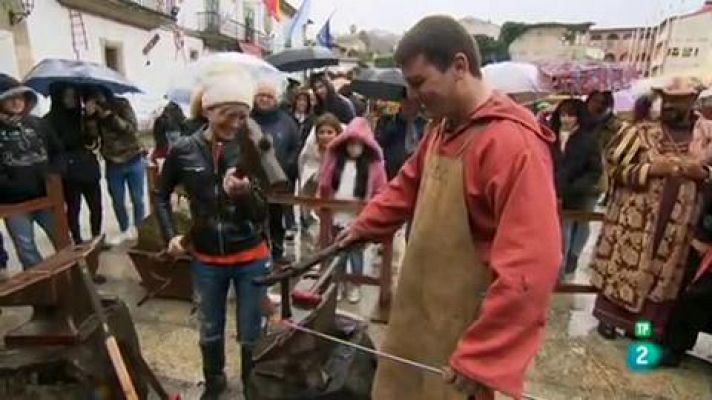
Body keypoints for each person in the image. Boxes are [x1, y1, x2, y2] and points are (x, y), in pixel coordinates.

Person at [337, 16, 561, 400]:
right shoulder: (443, 128)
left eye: (420, 83)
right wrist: (362, 227)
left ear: (459, 66)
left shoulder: (511, 144)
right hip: (417, 314)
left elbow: (531, 267)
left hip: (462, 331)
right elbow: (407, 184)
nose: (413, 95)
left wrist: (483, 358)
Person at [155, 75, 270, 399]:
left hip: (251, 257)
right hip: (206, 260)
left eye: (242, 115)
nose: (235, 123)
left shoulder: (251, 149)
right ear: (208, 111)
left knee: (251, 332)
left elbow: (262, 214)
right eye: (227, 114)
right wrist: (170, 236)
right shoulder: (182, 150)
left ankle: (252, 385)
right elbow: (161, 195)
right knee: (209, 328)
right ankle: (215, 381)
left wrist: (246, 194)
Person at [590, 78, 705, 341]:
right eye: (666, 100)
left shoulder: (705, 135)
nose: (669, 106)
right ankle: (607, 321)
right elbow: (614, 169)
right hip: (634, 218)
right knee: (623, 267)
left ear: (691, 102)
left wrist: (701, 172)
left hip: (678, 223)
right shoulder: (640, 132)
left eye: (676, 101)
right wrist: (651, 170)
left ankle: (639, 331)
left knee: (659, 281)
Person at [319, 117, 387, 303]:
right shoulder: (335, 162)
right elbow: (325, 184)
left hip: (358, 216)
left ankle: (354, 285)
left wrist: (372, 212)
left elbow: (381, 190)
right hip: (336, 214)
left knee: (356, 252)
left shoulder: (374, 166)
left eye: (357, 144)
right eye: (350, 143)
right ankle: (337, 284)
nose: (353, 147)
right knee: (337, 251)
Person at [0, 73, 63, 269]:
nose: (17, 102)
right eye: (10, 97)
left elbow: (58, 152)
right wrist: (11, 187)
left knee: (62, 240)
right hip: (14, 204)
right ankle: (43, 292)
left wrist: (54, 176)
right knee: (26, 250)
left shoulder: (38, 124)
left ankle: (71, 282)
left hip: (46, 197)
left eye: (20, 96)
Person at [83, 87, 146, 246]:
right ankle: (125, 229)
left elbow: (131, 129)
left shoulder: (122, 104)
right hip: (113, 163)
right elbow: (92, 138)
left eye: (99, 96)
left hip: (133, 157)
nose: (97, 100)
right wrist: (90, 117)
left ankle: (140, 229)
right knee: (117, 200)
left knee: (137, 199)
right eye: (93, 97)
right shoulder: (92, 113)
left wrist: (110, 117)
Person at [45, 83, 103, 245]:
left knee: (96, 206)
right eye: (67, 96)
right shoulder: (49, 120)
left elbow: (92, 140)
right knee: (73, 207)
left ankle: (97, 236)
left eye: (73, 96)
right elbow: (54, 146)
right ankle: (77, 239)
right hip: (68, 170)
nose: (71, 100)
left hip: (87, 166)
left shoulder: (82, 116)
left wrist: (90, 118)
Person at [550, 98, 602, 277]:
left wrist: (577, 187)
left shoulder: (588, 140)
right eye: (563, 115)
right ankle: (562, 265)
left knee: (580, 226)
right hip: (556, 192)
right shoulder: (551, 137)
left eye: (570, 115)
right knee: (562, 230)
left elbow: (595, 170)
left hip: (581, 194)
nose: (566, 119)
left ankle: (573, 257)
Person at [251, 82, 300, 261]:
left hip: (278, 181)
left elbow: (296, 147)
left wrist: (288, 166)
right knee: (254, 220)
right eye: (260, 95)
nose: (264, 99)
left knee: (276, 219)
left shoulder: (287, 121)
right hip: (252, 181)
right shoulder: (247, 120)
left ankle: (277, 253)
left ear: (275, 100)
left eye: (269, 96)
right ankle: (258, 254)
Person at [375, 97, 428, 180]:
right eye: (405, 102)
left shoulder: (424, 124)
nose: (408, 106)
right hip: (391, 171)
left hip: (416, 171)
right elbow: (379, 140)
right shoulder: (388, 120)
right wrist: (392, 124)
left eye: (412, 103)